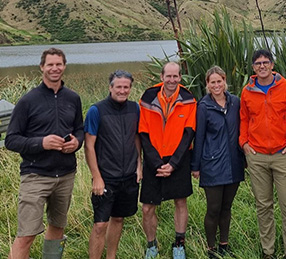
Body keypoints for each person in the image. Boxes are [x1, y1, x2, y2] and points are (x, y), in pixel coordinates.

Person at [5, 48, 84, 259]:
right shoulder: (27, 101)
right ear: (42, 67)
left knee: (57, 228)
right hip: (35, 175)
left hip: (66, 174)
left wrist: (77, 142)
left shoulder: (73, 98)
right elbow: (11, 140)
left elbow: (79, 129)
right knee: (27, 234)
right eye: (50, 64)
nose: (54, 68)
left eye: (59, 64)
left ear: (64, 66)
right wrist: (42, 143)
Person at [239, 49, 286, 259]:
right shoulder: (247, 91)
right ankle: (269, 251)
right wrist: (244, 143)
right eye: (258, 63)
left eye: (266, 62)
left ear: (272, 65)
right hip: (256, 156)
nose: (262, 66)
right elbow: (244, 119)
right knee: (263, 206)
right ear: (253, 67)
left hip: (283, 153)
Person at [139, 62, 196, 259]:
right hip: (153, 160)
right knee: (147, 207)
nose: (172, 80)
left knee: (180, 201)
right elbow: (143, 133)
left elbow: (189, 134)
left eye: (176, 76)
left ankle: (179, 244)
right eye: (168, 76)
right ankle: (151, 245)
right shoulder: (147, 98)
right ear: (161, 76)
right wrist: (156, 163)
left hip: (178, 159)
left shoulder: (189, 100)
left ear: (181, 77)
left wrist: (173, 164)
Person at [84, 70, 142, 259]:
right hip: (106, 177)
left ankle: (111, 257)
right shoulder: (97, 110)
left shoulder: (135, 108)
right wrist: (97, 177)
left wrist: (139, 165)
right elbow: (89, 146)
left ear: (130, 88)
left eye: (126, 87)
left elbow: (136, 137)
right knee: (100, 224)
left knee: (118, 218)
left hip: (128, 175)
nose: (122, 90)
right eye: (119, 87)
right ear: (110, 87)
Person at [190, 66, 245, 258]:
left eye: (219, 81)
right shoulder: (203, 107)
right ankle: (211, 248)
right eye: (212, 82)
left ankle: (224, 244)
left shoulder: (235, 102)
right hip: (212, 164)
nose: (216, 85)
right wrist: (195, 166)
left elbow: (242, 129)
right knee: (213, 208)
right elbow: (199, 137)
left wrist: (244, 157)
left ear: (224, 81)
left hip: (234, 162)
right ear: (207, 84)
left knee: (227, 207)